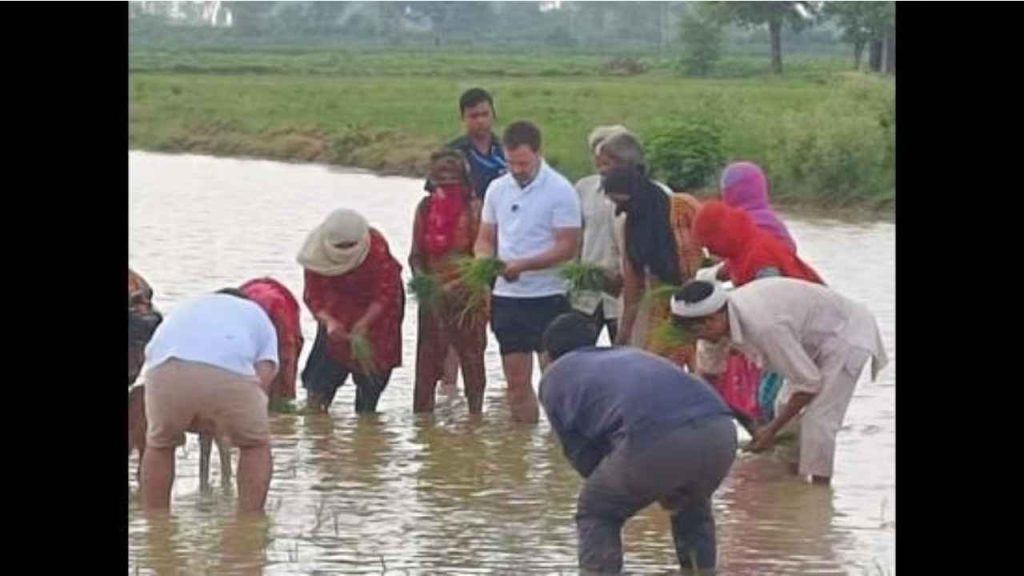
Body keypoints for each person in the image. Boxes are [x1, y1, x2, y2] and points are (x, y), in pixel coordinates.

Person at [538, 312, 736, 573]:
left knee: (597, 510)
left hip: (658, 438)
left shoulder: (555, 376)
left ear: (547, 355)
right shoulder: (627, 354)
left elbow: (583, 456)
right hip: (720, 430)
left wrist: (631, 486)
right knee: (691, 506)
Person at [670, 278, 887, 484]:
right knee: (782, 405)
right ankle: (794, 478)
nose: (701, 340)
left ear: (712, 320)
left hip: (846, 333)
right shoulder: (711, 331)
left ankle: (819, 493)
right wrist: (746, 425)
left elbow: (809, 385)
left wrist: (770, 431)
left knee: (819, 419)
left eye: (700, 332)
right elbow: (709, 379)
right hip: (811, 337)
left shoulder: (764, 326)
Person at [473, 120, 582, 423]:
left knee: (555, 382)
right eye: (511, 163)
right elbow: (485, 238)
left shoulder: (561, 190)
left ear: (538, 153)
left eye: (523, 163)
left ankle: (559, 446)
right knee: (516, 385)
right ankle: (520, 456)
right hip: (507, 298)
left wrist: (524, 266)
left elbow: (567, 246)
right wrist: (483, 260)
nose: (517, 170)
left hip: (549, 295)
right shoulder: (497, 189)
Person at [140, 289, 278, 513]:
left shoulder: (188, 305)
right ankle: (249, 521)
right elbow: (263, 376)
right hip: (225, 369)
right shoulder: (257, 315)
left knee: (159, 445)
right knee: (254, 445)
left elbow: (152, 351)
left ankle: (156, 525)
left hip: (164, 369)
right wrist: (238, 420)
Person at [692, 201, 825, 427]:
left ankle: (780, 443)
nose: (710, 251)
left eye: (711, 243)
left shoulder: (760, 256)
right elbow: (722, 273)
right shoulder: (741, 249)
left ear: (723, 233)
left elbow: (771, 304)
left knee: (772, 400)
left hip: (795, 331)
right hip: (778, 330)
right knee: (764, 399)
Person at [427, 87, 508, 390]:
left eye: (485, 114)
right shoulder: (452, 154)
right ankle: (449, 390)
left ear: (493, 115)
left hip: (499, 245)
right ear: (463, 118)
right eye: (473, 116)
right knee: (457, 322)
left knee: (499, 316)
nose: (480, 121)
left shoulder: (504, 151)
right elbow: (435, 200)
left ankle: (502, 384)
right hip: (459, 252)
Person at [298, 209, 404, 413]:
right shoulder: (315, 253)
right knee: (319, 385)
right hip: (335, 311)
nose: (346, 250)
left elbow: (385, 293)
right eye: (341, 246)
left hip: (378, 314)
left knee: (371, 382)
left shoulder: (376, 247)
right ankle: (319, 431)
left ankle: (366, 427)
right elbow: (314, 296)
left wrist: (365, 323)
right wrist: (329, 322)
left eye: (350, 246)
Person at [409, 149, 488, 414]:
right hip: (433, 296)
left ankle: (475, 420)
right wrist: (425, 282)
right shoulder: (425, 208)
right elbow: (416, 256)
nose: (446, 190)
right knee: (427, 364)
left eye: (452, 184)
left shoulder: (474, 209)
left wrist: (456, 285)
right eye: (440, 185)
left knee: (472, 360)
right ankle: (423, 423)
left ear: (464, 182)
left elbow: (481, 258)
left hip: (468, 297)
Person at [602, 164, 703, 370]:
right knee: (660, 370)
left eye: (623, 202)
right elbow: (633, 288)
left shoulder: (683, 208)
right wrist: (623, 335)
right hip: (664, 308)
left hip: (702, 305)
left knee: (704, 369)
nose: (622, 211)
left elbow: (715, 243)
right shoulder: (630, 228)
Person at [569, 125, 630, 342]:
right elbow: (576, 238)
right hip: (586, 294)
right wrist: (573, 274)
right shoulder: (582, 189)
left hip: (624, 294)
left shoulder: (646, 193)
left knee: (626, 357)